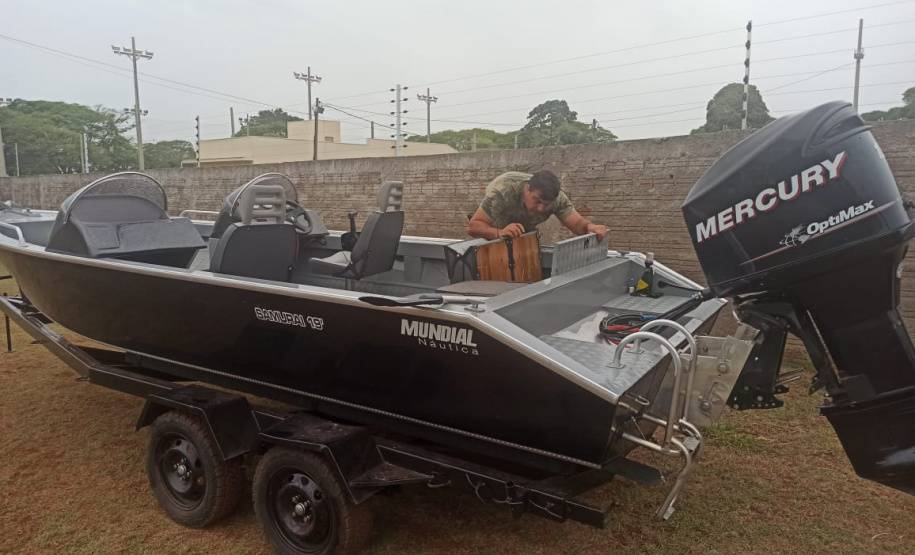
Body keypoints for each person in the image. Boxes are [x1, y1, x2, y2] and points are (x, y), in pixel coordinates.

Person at [467, 170, 608, 241]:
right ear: (527, 189)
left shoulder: (558, 198)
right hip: (499, 222)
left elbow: (577, 223)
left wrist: (591, 227)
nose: (541, 208)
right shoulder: (503, 192)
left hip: (525, 229)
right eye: (537, 201)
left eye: (547, 204)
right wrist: (499, 233)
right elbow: (474, 226)